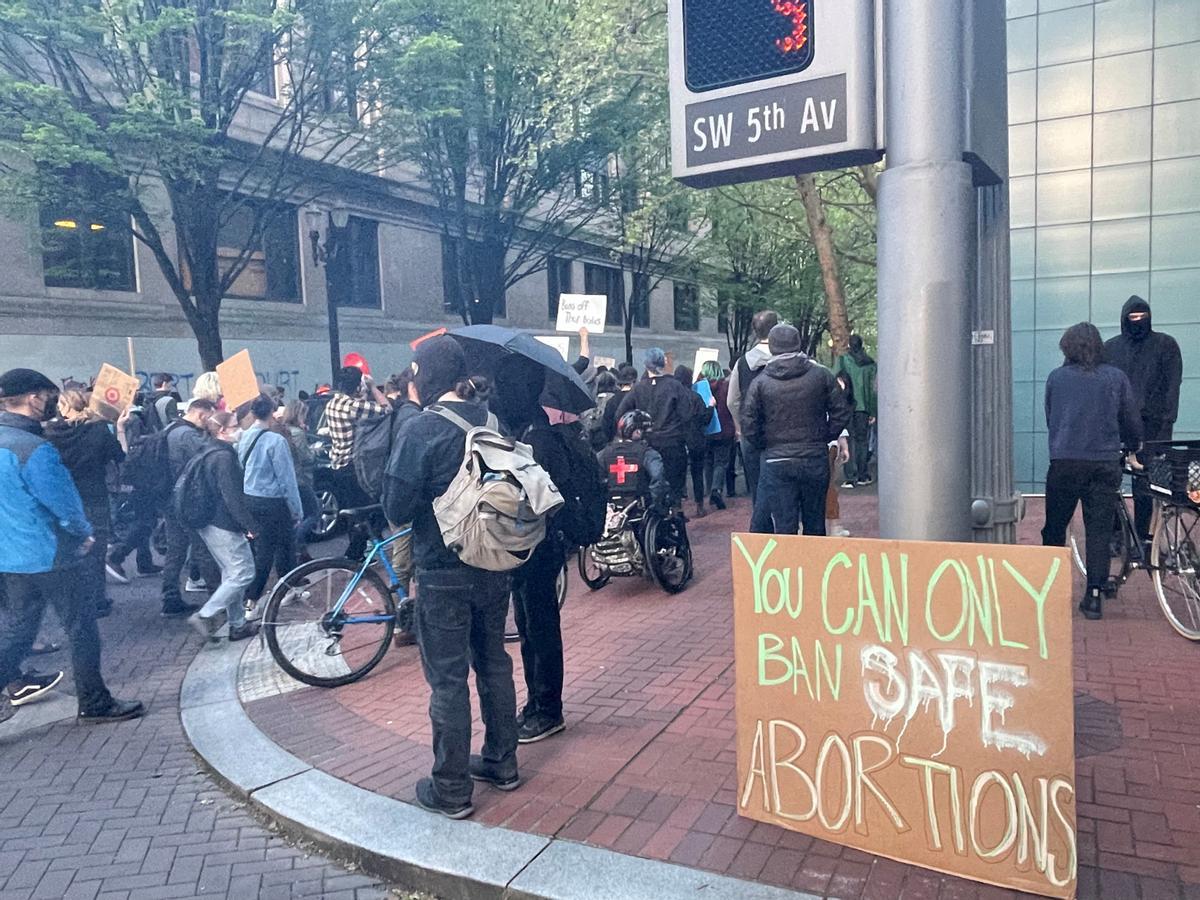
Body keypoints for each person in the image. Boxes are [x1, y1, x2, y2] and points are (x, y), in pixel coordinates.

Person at [382, 336, 518, 819]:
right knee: (494, 661)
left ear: (426, 378)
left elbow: (395, 508)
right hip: (493, 562)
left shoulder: (422, 429)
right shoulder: (493, 420)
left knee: (447, 680)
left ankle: (452, 788)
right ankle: (504, 761)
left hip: (442, 570)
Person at [0, 368, 143, 725]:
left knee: (19, 632)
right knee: (81, 628)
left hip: (12, 554)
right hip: (52, 553)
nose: (51, 401)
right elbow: (62, 502)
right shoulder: (34, 448)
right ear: (33, 398)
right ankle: (95, 701)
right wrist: (83, 533)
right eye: (47, 394)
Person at [491, 354, 573, 745]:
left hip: (539, 545)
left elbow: (537, 497)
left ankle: (547, 707)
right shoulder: (528, 430)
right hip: (529, 546)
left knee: (539, 626)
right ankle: (537, 701)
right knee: (528, 625)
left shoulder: (537, 437)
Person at [1042, 323, 1142, 621]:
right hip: (1104, 463)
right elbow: (1130, 418)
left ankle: (1049, 592)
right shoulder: (1116, 378)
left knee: (1055, 526)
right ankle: (1094, 596)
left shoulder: (1056, 378)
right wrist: (1134, 444)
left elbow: (1052, 417)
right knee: (1098, 531)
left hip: (1065, 462)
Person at [741, 324, 853, 536]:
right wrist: (825, 436)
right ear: (798, 344)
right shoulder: (821, 375)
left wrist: (766, 445)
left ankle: (789, 567)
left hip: (776, 461)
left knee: (784, 525)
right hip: (814, 457)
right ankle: (814, 567)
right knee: (815, 522)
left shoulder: (760, 383)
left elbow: (749, 423)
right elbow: (841, 410)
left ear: (772, 348)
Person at [1103, 296, 1184, 542]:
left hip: (1153, 426)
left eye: (1141, 317)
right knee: (1111, 481)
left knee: (1145, 485)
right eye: (1133, 317)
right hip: (1118, 426)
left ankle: (1142, 534)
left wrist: (1166, 422)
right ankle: (1117, 533)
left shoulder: (1165, 345)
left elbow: (1172, 386)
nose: (1137, 322)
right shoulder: (1111, 348)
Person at [44, 387, 128, 616]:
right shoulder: (98, 430)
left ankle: (73, 600)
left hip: (64, 497)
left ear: (63, 406)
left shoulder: (50, 434)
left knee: (69, 549)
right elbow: (120, 456)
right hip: (94, 496)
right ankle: (97, 600)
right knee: (96, 550)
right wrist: (120, 428)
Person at [187, 412, 261, 642]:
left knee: (231, 573)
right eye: (234, 426)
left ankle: (237, 624)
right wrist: (249, 525)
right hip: (223, 523)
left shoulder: (208, 450)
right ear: (222, 431)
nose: (239, 429)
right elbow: (232, 497)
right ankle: (206, 614)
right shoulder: (224, 457)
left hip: (208, 521)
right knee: (243, 572)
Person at [238, 394, 302, 615]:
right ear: (273, 412)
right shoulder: (276, 441)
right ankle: (269, 593)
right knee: (283, 547)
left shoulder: (243, 437)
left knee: (262, 549)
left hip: (250, 498)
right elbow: (287, 479)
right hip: (273, 501)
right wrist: (296, 508)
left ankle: (253, 600)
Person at [323, 365, 390, 558]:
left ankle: (357, 552)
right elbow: (386, 409)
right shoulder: (352, 406)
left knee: (353, 513)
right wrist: (374, 388)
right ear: (358, 386)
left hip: (337, 463)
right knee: (368, 511)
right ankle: (354, 554)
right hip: (354, 467)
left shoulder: (332, 404)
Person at [614, 349, 694, 506]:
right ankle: (675, 517)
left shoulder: (638, 388)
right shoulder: (675, 386)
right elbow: (687, 414)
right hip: (672, 443)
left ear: (646, 365)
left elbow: (620, 414)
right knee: (674, 489)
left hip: (646, 444)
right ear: (663, 364)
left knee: (648, 486)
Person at [161, 398, 216, 615]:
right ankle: (217, 598)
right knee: (201, 548)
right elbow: (208, 458)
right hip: (186, 500)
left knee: (175, 549)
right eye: (209, 417)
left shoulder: (171, 428)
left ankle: (170, 597)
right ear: (202, 414)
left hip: (169, 498)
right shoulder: (188, 435)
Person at [727, 310, 779, 509]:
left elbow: (732, 401)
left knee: (758, 489)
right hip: (783, 434)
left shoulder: (742, 363)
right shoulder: (790, 360)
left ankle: (761, 532)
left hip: (751, 433)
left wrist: (740, 426)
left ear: (754, 332)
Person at [598, 410, 670, 512]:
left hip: (610, 508)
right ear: (637, 432)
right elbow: (658, 477)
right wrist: (656, 503)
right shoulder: (648, 453)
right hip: (641, 507)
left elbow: (595, 478)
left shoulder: (604, 453)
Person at [278, 399, 321, 559]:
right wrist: (314, 452)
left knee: (297, 515)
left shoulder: (282, 430)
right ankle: (297, 541)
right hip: (301, 479)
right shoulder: (299, 433)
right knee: (314, 511)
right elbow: (306, 458)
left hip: (289, 480)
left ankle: (302, 551)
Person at [834, 335, 878, 488]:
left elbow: (835, 381)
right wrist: (873, 411)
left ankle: (850, 477)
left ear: (849, 345)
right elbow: (873, 390)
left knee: (849, 439)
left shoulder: (843, 361)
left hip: (847, 405)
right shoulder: (870, 364)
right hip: (864, 407)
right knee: (862, 440)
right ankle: (862, 474)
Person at [674, 365, 713, 519]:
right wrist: (711, 407)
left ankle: (678, 508)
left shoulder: (672, 397)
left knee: (678, 475)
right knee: (697, 473)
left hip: (677, 440)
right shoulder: (695, 397)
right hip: (696, 439)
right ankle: (699, 505)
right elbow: (705, 419)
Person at [698, 360, 735, 511]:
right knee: (721, 462)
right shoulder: (726, 387)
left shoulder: (699, 388)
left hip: (705, 430)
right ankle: (716, 489)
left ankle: (708, 491)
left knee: (708, 461)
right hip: (724, 430)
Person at [601, 365, 638, 445]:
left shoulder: (611, 401)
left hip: (615, 443)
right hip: (635, 444)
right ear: (634, 382)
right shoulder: (639, 399)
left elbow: (606, 426)